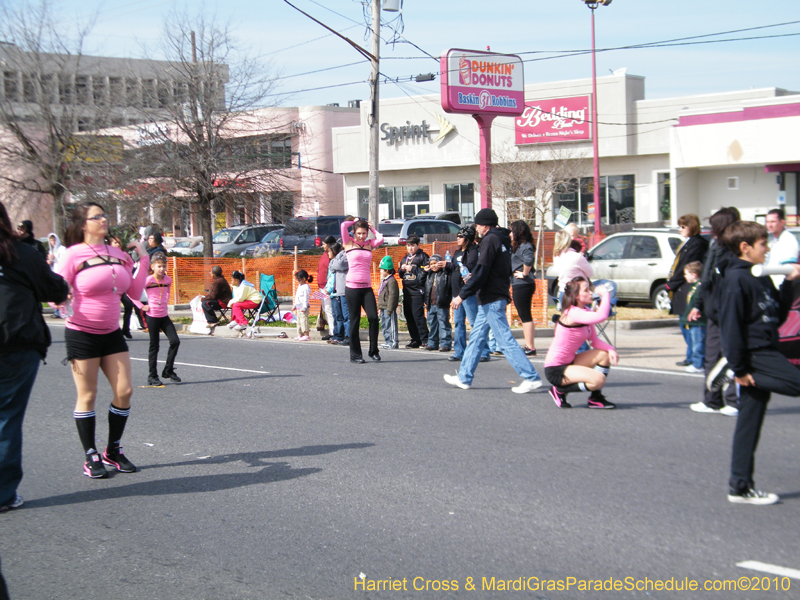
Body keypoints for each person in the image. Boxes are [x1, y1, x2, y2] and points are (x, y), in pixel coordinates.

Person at [708, 221, 800, 505]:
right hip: (755, 354)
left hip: (764, 348)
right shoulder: (736, 279)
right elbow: (731, 326)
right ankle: (731, 367)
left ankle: (740, 486)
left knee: (749, 423)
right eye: (763, 244)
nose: (768, 247)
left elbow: (777, 315)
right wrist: (740, 367)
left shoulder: (759, 275)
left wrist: (790, 283)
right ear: (745, 248)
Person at [56, 202, 150, 478]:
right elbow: (56, 289)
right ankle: (90, 455)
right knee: (88, 395)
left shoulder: (118, 254)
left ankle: (113, 450)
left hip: (111, 333)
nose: (104, 220)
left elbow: (133, 289)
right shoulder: (72, 254)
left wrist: (143, 258)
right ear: (83, 224)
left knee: (125, 391)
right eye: (96, 217)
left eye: (104, 215)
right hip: (81, 332)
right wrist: (61, 298)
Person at [0, 200, 69, 511]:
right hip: (16, 342)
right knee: (6, 419)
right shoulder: (21, 253)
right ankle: (3, 493)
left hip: (17, 341)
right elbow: (53, 289)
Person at [443, 208, 543, 394]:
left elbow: (482, 271)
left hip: (492, 298)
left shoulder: (490, 240)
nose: (477, 228)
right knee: (476, 338)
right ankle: (464, 378)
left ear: (486, 225)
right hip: (493, 296)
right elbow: (493, 270)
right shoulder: (503, 239)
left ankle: (531, 377)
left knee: (504, 340)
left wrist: (462, 295)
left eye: (478, 225)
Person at [688, 207, 741, 415]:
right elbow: (706, 280)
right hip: (714, 310)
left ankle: (733, 401)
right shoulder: (715, 246)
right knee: (712, 355)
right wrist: (698, 304)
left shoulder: (737, 249)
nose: (712, 230)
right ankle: (711, 399)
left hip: (731, 311)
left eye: (715, 225)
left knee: (730, 355)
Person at [543, 277, 618, 409]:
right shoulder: (573, 313)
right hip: (556, 369)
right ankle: (560, 390)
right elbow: (601, 316)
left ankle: (595, 398)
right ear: (576, 296)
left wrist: (611, 349)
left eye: (590, 289)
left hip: (570, 362)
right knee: (598, 380)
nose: (590, 292)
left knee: (604, 355)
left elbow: (594, 341)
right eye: (586, 290)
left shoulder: (585, 312)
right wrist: (606, 295)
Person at [444, 226, 490, 363]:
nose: (458, 238)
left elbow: (469, 266)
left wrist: (450, 266)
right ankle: (459, 351)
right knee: (458, 323)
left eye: (461, 236)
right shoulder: (457, 252)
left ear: (468, 238)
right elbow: (453, 267)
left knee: (475, 322)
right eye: (457, 236)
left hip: (468, 293)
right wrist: (446, 266)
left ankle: (484, 351)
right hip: (456, 292)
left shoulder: (473, 252)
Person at [134, 253, 181, 386]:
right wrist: (141, 306)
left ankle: (168, 370)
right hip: (152, 316)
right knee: (154, 346)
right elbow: (132, 294)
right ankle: (152, 376)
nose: (161, 269)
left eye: (163, 266)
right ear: (153, 267)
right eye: (159, 266)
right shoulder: (148, 280)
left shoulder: (168, 280)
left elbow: (166, 294)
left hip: (164, 316)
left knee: (175, 341)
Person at [341, 218, 384, 363]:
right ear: (354, 232)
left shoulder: (369, 244)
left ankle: (373, 351)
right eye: (359, 233)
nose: (361, 236)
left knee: (373, 317)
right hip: (352, 288)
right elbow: (343, 225)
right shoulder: (348, 243)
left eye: (364, 233)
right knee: (355, 321)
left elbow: (381, 238)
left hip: (366, 288)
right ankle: (355, 355)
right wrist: (354, 220)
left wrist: (372, 228)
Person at [665, 214, 709, 317]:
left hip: (687, 287)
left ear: (692, 226)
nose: (680, 229)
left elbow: (687, 266)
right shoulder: (688, 242)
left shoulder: (697, 244)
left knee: (690, 327)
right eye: (679, 226)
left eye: (683, 227)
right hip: (681, 289)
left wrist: (671, 284)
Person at [109, 236, 146, 338]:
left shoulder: (124, 254)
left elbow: (131, 264)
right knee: (113, 308)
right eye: (115, 243)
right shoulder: (108, 255)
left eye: (118, 243)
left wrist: (127, 272)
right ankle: (112, 330)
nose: (117, 245)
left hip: (124, 284)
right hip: (113, 285)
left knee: (129, 305)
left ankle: (125, 328)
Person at [510, 220, 537, 356]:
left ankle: (530, 347)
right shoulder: (518, 246)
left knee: (525, 315)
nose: (510, 234)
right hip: (519, 284)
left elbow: (528, 260)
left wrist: (524, 273)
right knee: (523, 315)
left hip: (523, 284)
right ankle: (528, 345)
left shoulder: (525, 246)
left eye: (512, 231)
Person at [399, 235, 429, 348]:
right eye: (408, 246)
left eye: (412, 245)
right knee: (409, 316)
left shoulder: (423, 256)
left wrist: (413, 269)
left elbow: (427, 271)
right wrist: (401, 270)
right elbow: (401, 275)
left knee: (418, 316)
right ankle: (415, 339)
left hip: (417, 291)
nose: (410, 248)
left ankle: (425, 339)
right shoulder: (405, 258)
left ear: (418, 245)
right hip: (407, 291)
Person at [678, 261, 706, 374]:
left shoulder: (700, 286)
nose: (685, 276)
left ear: (694, 274)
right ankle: (697, 363)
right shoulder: (695, 286)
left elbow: (698, 302)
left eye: (686, 274)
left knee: (698, 344)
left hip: (698, 321)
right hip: (693, 321)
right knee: (695, 343)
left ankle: (698, 365)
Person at [552, 230, 592, 305]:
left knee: (567, 316)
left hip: (563, 292)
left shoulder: (556, 256)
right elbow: (590, 273)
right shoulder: (577, 256)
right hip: (579, 293)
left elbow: (557, 271)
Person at [424, 253, 452, 352]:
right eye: (431, 264)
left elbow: (449, 285)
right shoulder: (429, 275)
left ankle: (445, 343)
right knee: (432, 324)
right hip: (431, 304)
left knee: (443, 324)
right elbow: (420, 281)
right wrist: (424, 272)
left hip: (442, 304)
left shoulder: (445, 274)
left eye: (435, 263)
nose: (433, 266)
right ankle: (432, 343)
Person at [764, 207, 799, 287]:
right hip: (770, 285)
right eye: (767, 222)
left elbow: (788, 269)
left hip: (779, 286)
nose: (769, 225)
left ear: (782, 222)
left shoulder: (788, 239)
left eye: (773, 222)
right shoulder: (772, 241)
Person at [327, 242, 350, 346]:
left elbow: (339, 265)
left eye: (329, 251)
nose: (328, 253)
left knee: (345, 315)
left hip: (343, 291)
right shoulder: (336, 258)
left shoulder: (345, 255)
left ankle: (347, 336)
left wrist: (334, 263)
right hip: (336, 291)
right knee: (336, 315)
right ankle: (337, 334)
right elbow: (331, 266)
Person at [377, 255, 399, 350]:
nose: (380, 271)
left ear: (387, 270)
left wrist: (390, 309)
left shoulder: (391, 281)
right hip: (383, 307)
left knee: (391, 324)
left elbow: (392, 296)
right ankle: (387, 341)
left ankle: (393, 342)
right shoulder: (384, 280)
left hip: (388, 308)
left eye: (382, 269)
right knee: (384, 325)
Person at [317, 235, 337, 340]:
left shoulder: (331, 256)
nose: (322, 246)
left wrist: (328, 287)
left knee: (329, 309)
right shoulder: (325, 255)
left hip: (326, 287)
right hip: (321, 286)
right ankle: (331, 330)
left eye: (324, 244)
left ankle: (333, 332)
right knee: (325, 308)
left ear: (329, 245)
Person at [202, 266, 233, 331]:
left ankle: (213, 321)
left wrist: (202, 299)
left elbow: (213, 296)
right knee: (206, 302)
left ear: (213, 275)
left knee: (205, 303)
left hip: (223, 302)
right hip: (221, 300)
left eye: (210, 272)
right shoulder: (221, 280)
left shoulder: (218, 282)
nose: (210, 273)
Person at [293, 269, 313, 341]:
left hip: (303, 307)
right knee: (299, 322)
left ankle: (306, 335)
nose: (298, 281)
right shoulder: (299, 286)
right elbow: (297, 296)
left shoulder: (306, 287)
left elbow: (305, 298)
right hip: (298, 306)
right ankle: (300, 334)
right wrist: (295, 305)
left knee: (304, 321)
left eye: (299, 279)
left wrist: (304, 307)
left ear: (304, 279)